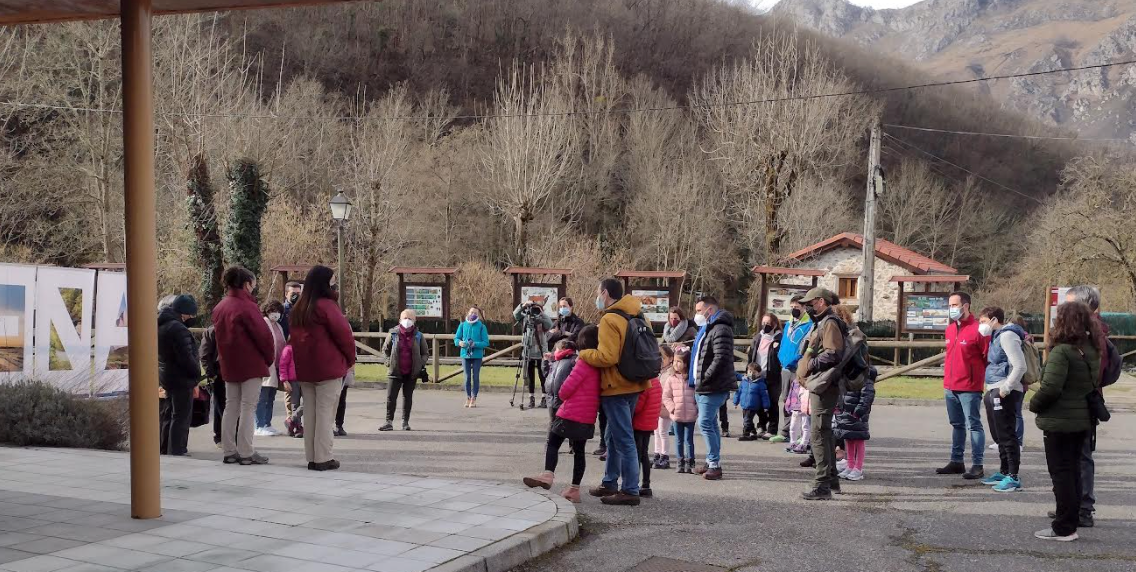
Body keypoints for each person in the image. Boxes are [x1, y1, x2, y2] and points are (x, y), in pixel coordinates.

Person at [1030, 301, 1101, 542]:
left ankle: (1063, 526)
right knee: (1073, 474)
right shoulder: (1090, 349)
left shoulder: (1062, 352)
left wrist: (1034, 404)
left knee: (1061, 475)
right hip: (1082, 419)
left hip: (1060, 422)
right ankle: (1070, 521)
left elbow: (1050, 388)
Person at [583, 278, 651, 506]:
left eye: (597, 293)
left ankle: (630, 489)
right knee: (613, 436)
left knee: (623, 438)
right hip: (636, 383)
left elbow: (607, 357)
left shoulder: (611, 319)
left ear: (604, 293)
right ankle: (610, 481)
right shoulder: (639, 315)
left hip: (616, 386)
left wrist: (582, 353)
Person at [523, 325, 602, 504]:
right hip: (588, 417)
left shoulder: (583, 362)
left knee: (553, 443)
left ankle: (548, 474)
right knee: (579, 452)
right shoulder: (600, 364)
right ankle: (574, 489)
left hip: (570, 413)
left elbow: (565, 390)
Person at [287, 265, 356, 471]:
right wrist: (350, 359)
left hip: (306, 369)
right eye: (332, 279)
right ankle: (323, 457)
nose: (334, 282)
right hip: (328, 368)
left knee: (311, 414)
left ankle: (311, 456)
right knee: (325, 415)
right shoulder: (327, 306)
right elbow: (344, 335)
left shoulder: (299, 307)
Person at [211, 266, 275, 465]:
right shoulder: (246, 306)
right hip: (250, 363)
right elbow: (263, 336)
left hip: (228, 363)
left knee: (231, 406)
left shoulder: (220, 306)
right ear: (247, 284)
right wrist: (269, 358)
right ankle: (246, 451)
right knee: (248, 407)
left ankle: (229, 450)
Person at [1063, 286, 1110, 528]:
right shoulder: (1086, 330)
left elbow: (1095, 371)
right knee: (1073, 456)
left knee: (1081, 456)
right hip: (1079, 399)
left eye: (1069, 303)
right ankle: (1073, 505)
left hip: (1083, 400)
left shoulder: (1093, 333)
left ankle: (1083, 508)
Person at [797, 288, 846, 501]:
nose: (807, 306)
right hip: (822, 383)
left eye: (810, 302)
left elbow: (833, 353)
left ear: (820, 302)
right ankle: (831, 479)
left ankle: (822, 484)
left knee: (818, 432)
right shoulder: (824, 322)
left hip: (825, 384)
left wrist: (810, 365)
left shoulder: (830, 323)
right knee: (823, 431)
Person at [937, 292, 988, 480]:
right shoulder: (950, 329)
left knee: (973, 425)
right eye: (950, 305)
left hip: (969, 387)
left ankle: (978, 464)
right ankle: (957, 461)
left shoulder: (979, 330)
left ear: (965, 306)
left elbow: (987, 357)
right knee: (957, 425)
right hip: (950, 386)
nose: (951, 308)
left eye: (954, 304)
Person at [978, 307, 1028, 493]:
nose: (981, 326)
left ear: (993, 320)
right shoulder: (996, 335)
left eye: (983, 321)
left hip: (1004, 390)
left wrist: (1005, 389)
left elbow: (1019, 365)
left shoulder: (1007, 336)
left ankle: (1013, 476)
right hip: (993, 388)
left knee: (1007, 434)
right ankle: (1004, 470)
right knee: (998, 434)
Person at [690, 295, 736, 481]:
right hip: (704, 384)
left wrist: (706, 377)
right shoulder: (708, 327)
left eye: (699, 311)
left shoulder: (720, 328)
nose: (697, 315)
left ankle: (715, 464)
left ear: (710, 310)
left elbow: (721, 357)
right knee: (711, 423)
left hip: (712, 385)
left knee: (705, 423)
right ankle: (711, 461)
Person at [157, 294, 200, 456]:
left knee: (168, 414)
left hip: (166, 376)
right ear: (184, 313)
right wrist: (197, 374)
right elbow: (186, 357)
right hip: (181, 378)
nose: (192, 318)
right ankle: (177, 449)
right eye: (191, 315)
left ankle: (164, 447)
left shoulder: (161, 325)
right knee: (181, 416)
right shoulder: (178, 329)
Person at [771, 296, 813, 444]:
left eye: (797, 307)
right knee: (787, 400)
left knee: (801, 403)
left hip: (798, 367)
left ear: (804, 308)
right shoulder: (789, 324)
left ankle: (804, 433)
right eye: (792, 307)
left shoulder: (809, 324)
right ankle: (786, 431)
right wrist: (781, 357)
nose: (794, 310)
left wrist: (797, 359)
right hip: (785, 367)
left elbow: (805, 346)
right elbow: (784, 343)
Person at [381, 309, 430, 431]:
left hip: (411, 372)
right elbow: (385, 350)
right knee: (391, 397)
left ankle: (405, 422)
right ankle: (388, 421)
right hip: (395, 372)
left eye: (410, 318)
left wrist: (419, 364)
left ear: (415, 321)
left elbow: (425, 353)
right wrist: (388, 362)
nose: (407, 320)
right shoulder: (393, 334)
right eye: (405, 318)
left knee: (407, 397)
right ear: (400, 320)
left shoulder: (419, 336)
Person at [834, 357, 876, 482]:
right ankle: (850, 465)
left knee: (858, 440)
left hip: (856, 414)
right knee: (848, 439)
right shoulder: (847, 375)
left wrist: (858, 412)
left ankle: (858, 468)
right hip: (845, 413)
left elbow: (867, 396)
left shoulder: (865, 377)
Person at [748, 313, 782, 439]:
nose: (765, 326)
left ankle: (772, 429)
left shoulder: (779, 338)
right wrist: (750, 369)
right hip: (758, 375)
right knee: (758, 403)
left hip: (772, 375)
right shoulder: (758, 337)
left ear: (774, 324)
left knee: (772, 402)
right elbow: (751, 354)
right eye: (763, 323)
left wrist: (777, 347)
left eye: (768, 323)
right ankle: (761, 425)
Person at [663, 346, 697, 474]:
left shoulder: (692, 380)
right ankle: (680, 461)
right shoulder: (671, 379)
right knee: (678, 440)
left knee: (689, 440)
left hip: (690, 415)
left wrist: (696, 408)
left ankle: (690, 461)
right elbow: (666, 396)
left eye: (679, 361)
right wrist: (672, 408)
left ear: (686, 363)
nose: (676, 364)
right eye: (675, 361)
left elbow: (697, 396)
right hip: (676, 415)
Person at [255, 301, 286, 437]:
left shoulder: (278, 326)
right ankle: (259, 425)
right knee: (262, 397)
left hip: (277, 365)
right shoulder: (263, 323)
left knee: (271, 397)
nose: (276, 314)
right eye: (273, 310)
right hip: (266, 365)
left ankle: (267, 423)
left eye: (278, 311)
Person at [514, 299, 553, 409]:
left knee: (543, 375)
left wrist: (541, 312)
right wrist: (523, 305)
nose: (534, 311)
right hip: (528, 350)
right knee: (530, 375)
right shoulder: (525, 318)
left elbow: (550, 324)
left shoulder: (542, 319)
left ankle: (544, 397)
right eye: (533, 309)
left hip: (541, 351)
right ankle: (531, 397)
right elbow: (515, 314)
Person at [632, 372, 663, 498]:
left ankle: (634, 483)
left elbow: (638, 406)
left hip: (640, 422)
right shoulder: (656, 381)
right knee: (644, 454)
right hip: (650, 422)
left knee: (636, 455)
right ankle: (646, 484)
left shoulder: (644, 383)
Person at [454, 306, 490, 408]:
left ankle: (474, 397)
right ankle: (468, 396)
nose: (473, 314)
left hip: (477, 356)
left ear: (478, 315)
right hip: (465, 355)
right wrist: (460, 343)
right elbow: (456, 338)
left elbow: (485, 342)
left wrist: (475, 344)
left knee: (475, 377)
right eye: (471, 312)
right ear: (468, 313)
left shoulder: (482, 326)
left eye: (475, 313)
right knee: (467, 377)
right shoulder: (462, 325)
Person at [199, 324, 226, 448]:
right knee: (221, 405)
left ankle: (223, 436)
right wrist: (211, 374)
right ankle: (220, 436)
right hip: (219, 374)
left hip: (226, 373)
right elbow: (204, 354)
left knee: (222, 405)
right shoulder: (212, 330)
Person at [652, 345, 675, 470]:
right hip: (657, 404)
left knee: (663, 431)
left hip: (665, 405)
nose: (660, 360)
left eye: (663, 357)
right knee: (656, 431)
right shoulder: (659, 371)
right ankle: (657, 454)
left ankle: (665, 456)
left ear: (670, 358)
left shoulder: (671, 372)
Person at [735, 362, 770, 442]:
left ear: (759, 373)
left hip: (753, 406)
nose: (751, 374)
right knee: (747, 419)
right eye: (750, 372)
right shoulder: (744, 382)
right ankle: (753, 432)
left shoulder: (760, 384)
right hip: (744, 404)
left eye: (754, 372)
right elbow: (739, 392)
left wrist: (766, 406)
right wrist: (736, 402)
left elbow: (765, 396)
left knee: (747, 420)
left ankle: (746, 434)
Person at [279, 342, 302, 438]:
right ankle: (297, 428)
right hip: (293, 381)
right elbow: (282, 365)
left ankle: (291, 421)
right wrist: (284, 380)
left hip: (306, 380)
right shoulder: (288, 349)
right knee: (294, 405)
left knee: (308, 403)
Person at [785, 375, 809, 454]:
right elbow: (790, 394)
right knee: (793, 426)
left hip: (805, 408)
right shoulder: (795, 381)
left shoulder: (808, 382)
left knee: (805, 427)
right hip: (795, 408)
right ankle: (793, 443)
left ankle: (803, 444)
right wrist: (788, 404)